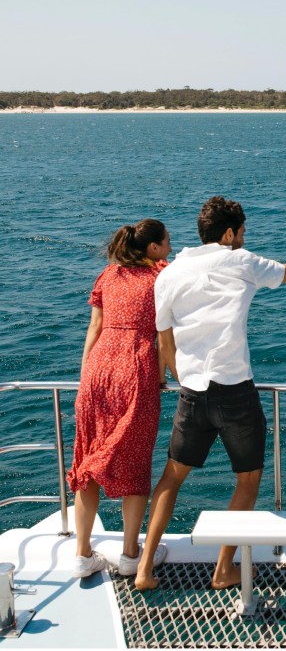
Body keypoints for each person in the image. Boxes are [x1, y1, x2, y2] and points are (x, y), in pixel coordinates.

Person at [134, 196, 286, 591]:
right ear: (228, 234)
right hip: (235, 394)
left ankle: (144, 570)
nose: (244, 238)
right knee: (247, 479)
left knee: (171, 479)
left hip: (191, 394)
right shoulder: (239, 262)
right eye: (242, 232)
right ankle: (224, 569)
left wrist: (184, 381)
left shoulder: (167, 276)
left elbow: (165, 343)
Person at [68, 219, 176, 578]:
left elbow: (95, 328)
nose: (171, 245)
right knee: (135, 462)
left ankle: (84, 555)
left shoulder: (108, 275)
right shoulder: (161, 277)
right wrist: (161, 377)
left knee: (88, 467)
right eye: (167, 241)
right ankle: (131, 554)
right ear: (153, 248)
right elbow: (163, 336)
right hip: (136, 370)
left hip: (97, 371)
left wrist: (86, 377)